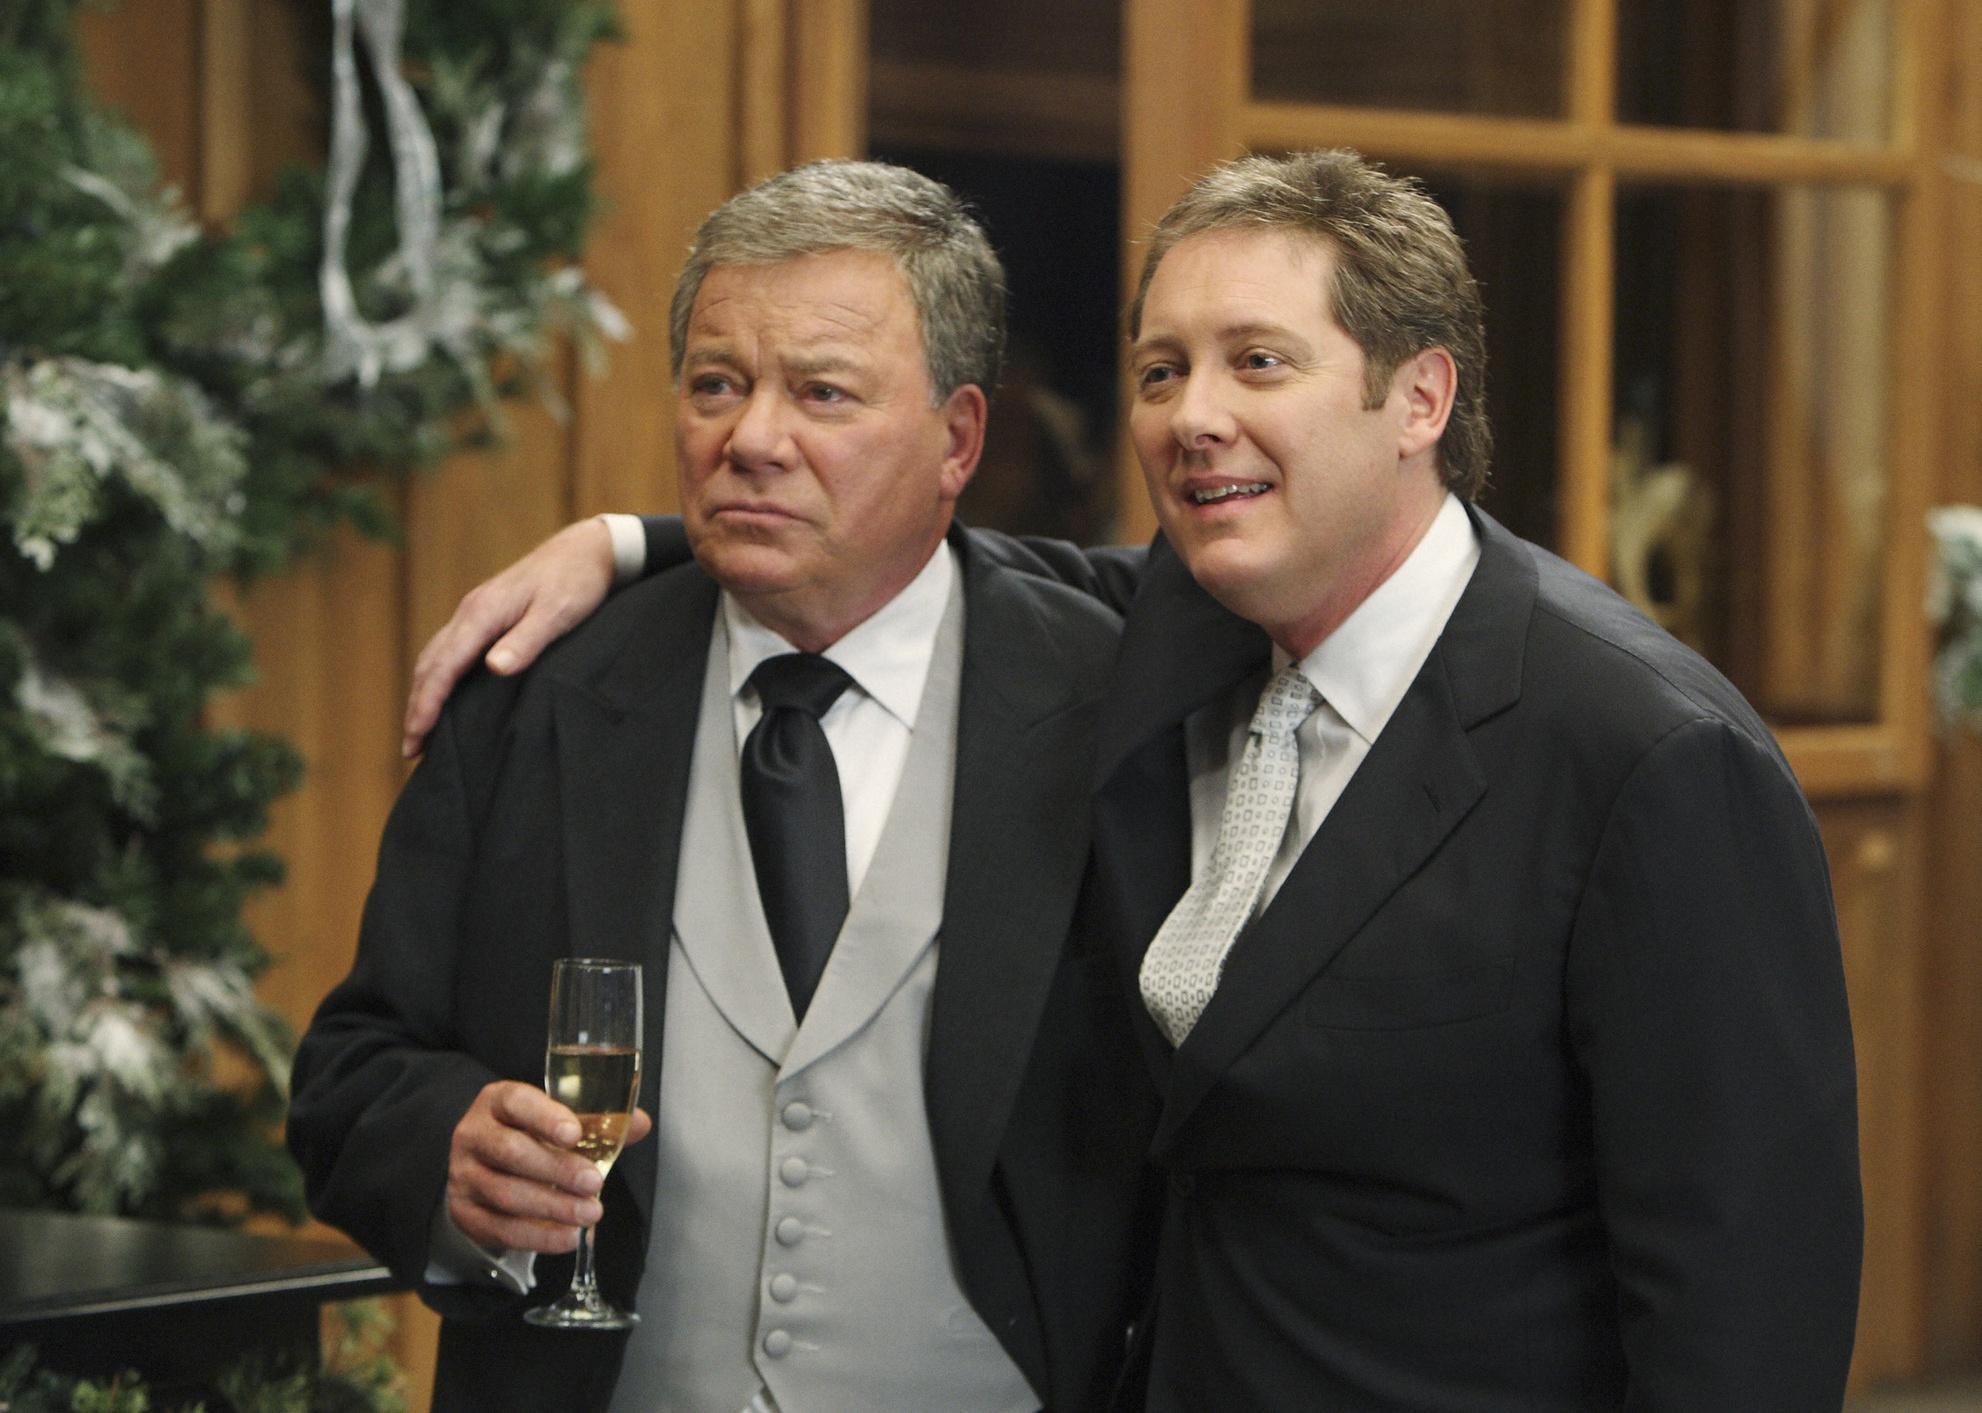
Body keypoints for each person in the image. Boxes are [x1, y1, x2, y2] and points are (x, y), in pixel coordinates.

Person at [403, 149, 1864, 1410]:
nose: (1189, 414)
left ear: (1418, 395)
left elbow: (1746, 1302)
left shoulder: (1652, 755)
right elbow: (912, 560)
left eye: (1257, 361)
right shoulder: (1182, 635)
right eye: (1161, 369)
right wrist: (633, 544)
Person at [289, 160, 1156, 1413]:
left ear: (957, 437)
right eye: (715, 384)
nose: (751, 438)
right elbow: (350, 1071)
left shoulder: (1111, 704)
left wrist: (616, 533)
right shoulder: (534, 693)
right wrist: (451, 1156)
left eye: (821, 393)